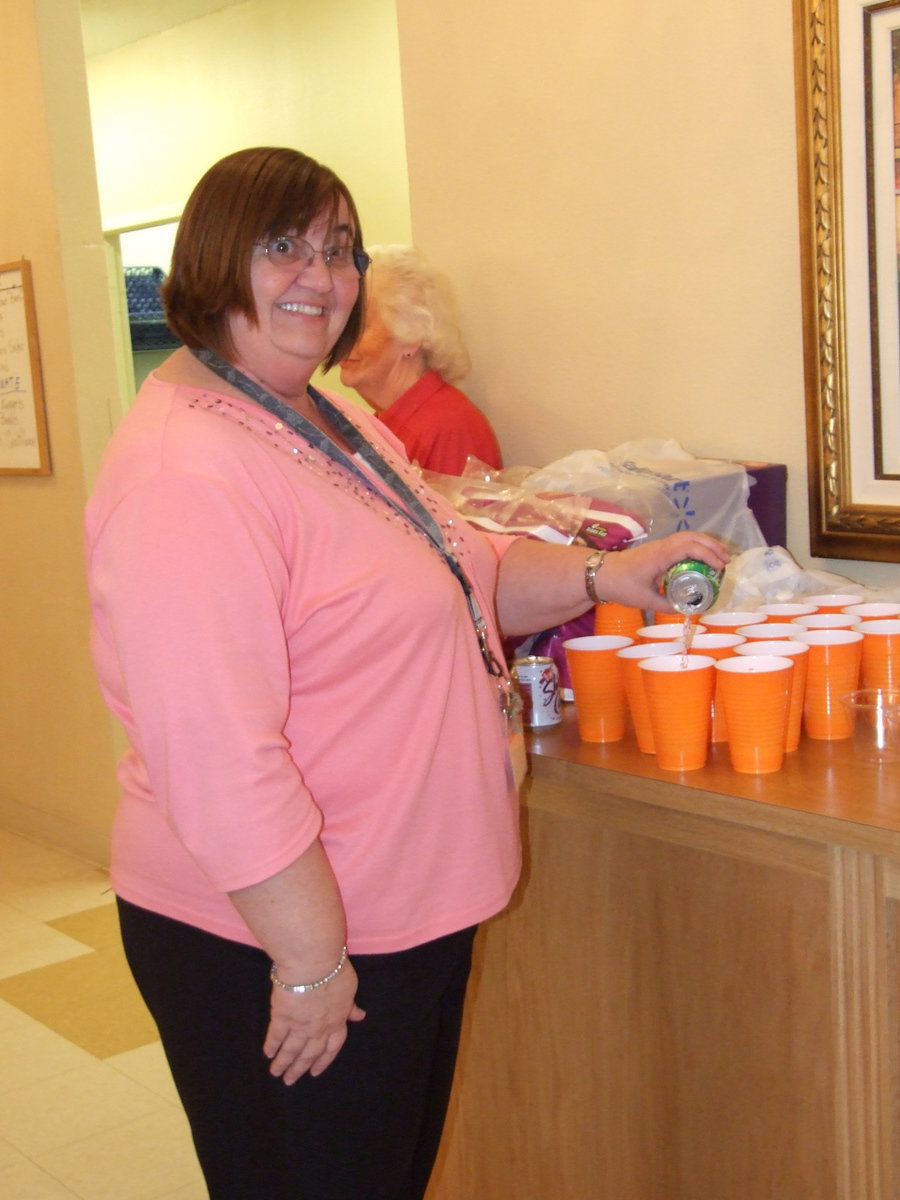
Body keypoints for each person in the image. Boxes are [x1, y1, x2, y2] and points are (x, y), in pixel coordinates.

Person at [84, 146, 730, 1200]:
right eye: (283, 245)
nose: (321, 275)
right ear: (209, 259)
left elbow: (465, 568)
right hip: (281, 938)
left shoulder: (320, 415)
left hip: (396, 913)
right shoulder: (185, 474)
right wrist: (307, 962)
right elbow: (215, 753)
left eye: (340, 248)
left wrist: (615, 573)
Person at [338, 243, 503, 474]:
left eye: (361, 326)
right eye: (344, 324)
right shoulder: (384, 423)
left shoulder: (449, 428)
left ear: (411, 336)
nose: (341, 340)